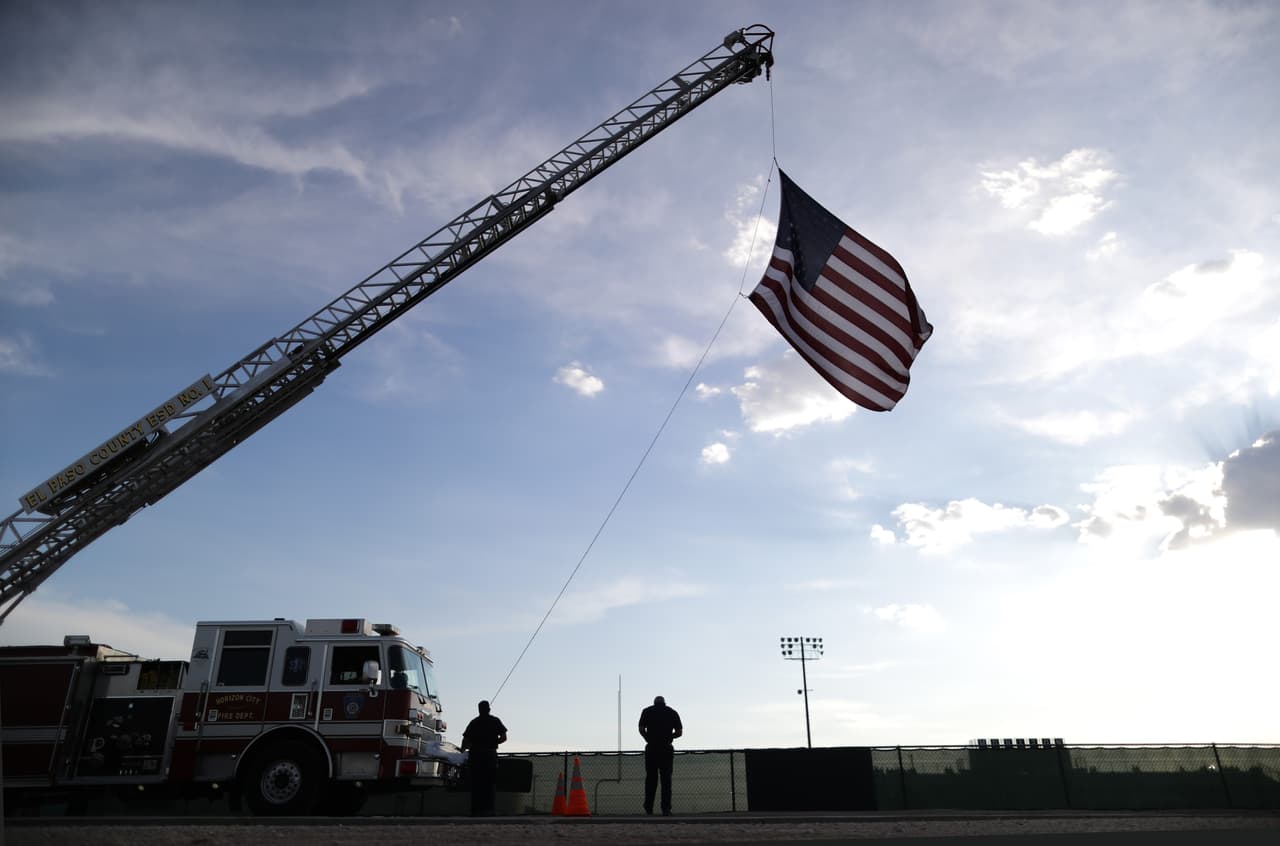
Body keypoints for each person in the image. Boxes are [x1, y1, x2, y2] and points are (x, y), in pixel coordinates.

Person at [460, 700, 508, 816]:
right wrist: (494, 742)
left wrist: (462, 751)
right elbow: (504, 737)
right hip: (490, 755)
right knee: (490, 783)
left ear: (479, 709)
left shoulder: (474, 722)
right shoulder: (495, 721)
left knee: (476, 783)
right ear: (489, 709)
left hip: (475, 756)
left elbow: (465, 740)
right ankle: (490, 810)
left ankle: (475, 810)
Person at [638, 694, 682, 816]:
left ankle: (649, 808)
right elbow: (679, 732)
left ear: (654, 702)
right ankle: (666, 809)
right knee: (666, 780)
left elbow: (641, 728)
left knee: (651, 779)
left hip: (652, 748)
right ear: (664, 703)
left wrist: (648, 738)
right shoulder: (672, 712)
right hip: (666, 749)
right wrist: (669, 737)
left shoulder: (647, 711)